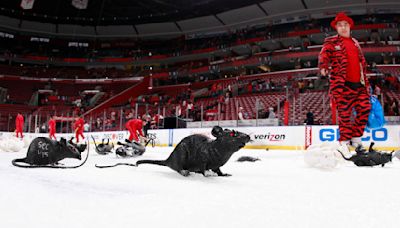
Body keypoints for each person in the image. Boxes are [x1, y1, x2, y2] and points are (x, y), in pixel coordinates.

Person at [319, 12, 371, 154]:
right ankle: (344, 142)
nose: (343, 27)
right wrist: (323, 66)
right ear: (336, 28)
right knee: (345, 115)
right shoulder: (331, 42)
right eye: (339, 25)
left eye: (345, 24)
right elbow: (324, 54)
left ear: (350, 26)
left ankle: (356, 138)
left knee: (365, 109)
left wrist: (366, 82)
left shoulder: (355, 42)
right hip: (343, 85)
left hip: (359, 85)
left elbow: (361, 63)